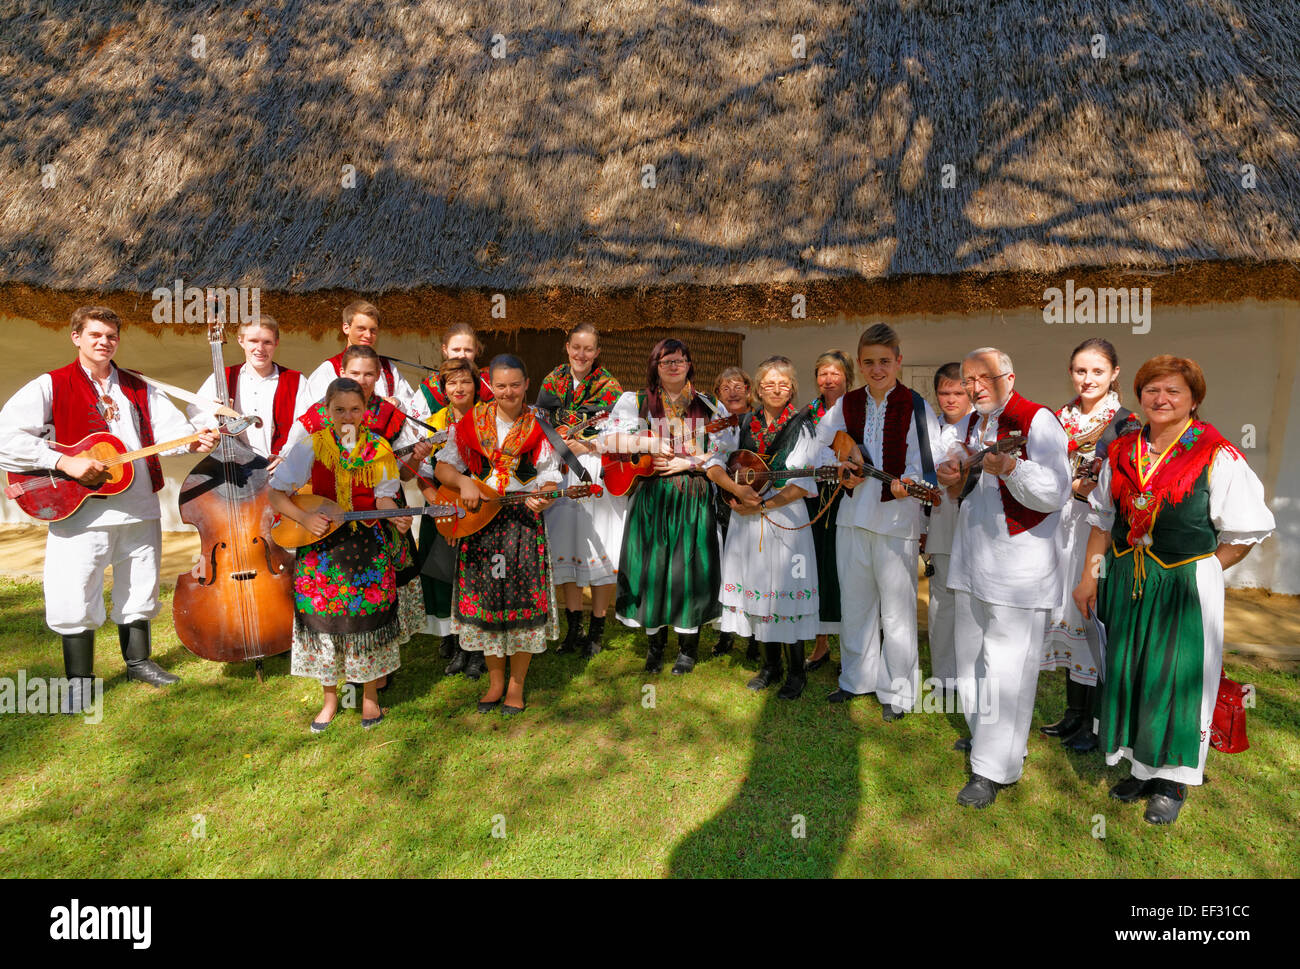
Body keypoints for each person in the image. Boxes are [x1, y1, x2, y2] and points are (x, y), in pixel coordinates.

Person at [1073, 356, 1273, 825]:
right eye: (1152, 391)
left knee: (1176, 679)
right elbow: (1103, 521)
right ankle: (1141, 766)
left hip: (1183, 585)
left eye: (1174, 392)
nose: (1161, 400)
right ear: (1139, 397)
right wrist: (1089, 576)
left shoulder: (1214, 452)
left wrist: (1200, 569)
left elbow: (1244, 532)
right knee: (1133, 672)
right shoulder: (1123, 450)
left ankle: (1172, 780)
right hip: (1124, 578)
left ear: (1194, 400)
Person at [0, 307, 219, 713]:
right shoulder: (51, 385)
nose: (104, 342)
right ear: (76, 337)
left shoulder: (138, 387)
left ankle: (139, 662)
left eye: (111, 336)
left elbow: (171, 433)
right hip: (80, 511)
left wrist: (194, 441)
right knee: (74, 589)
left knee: (140, 584)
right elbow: (5, 436)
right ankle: (80, 683)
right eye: (95, 334)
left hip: (138, 506)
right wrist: (65, 463)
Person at [935, 347, 1070, 808]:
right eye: (968, 378)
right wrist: (956, 472)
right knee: (973, 655)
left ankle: (994, 769)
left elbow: (1056, 491)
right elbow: (969, 486)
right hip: (975, 558)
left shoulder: (1038, 421)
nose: (975, 387)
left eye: (984, 377)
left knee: (1008, 667)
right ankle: (985, 739)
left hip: (1019, 566)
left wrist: (1012, 467)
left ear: (1009, 377)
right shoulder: (977, 424)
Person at [813, 324, 940, 721]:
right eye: (869, 362)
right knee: (855, 605)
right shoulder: (845, 405)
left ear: (898, 361)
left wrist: (910, 484)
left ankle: (899, 693)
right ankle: (855, 680)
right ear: (860, 364)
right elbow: (818, 449)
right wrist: (838, 469)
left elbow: (927, 464)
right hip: (851, 519)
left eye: (885, 361)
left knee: (897, 612)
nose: (877, 369)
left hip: (895, 522)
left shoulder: (917, 405)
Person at [606, 339, 756, 674]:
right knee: (652, 566)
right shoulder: (635, 401)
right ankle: (655, 645)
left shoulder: (706, 405)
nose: (674, 366)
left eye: (680, 360)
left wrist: (688, 464)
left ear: (689, 365)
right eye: (666, 361)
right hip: (650, 497)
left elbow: (725, 449)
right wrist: (648, 442)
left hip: (692, 495)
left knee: (688, 567)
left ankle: (688, 647)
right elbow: (609, 439)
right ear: (655, 366)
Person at [268, 378, 408, 732]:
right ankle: (331, 701)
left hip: (368, 548)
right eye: (339, 409)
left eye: (355, 409)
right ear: (326, 410)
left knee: (368, 623)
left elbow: (384, 498)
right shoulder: (309, 447)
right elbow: (276, 493)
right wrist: (304, 517)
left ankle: (370, 701)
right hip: (322, 550)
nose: (348, 417)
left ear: (366, 411)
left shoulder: (380, 450)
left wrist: (397, 518)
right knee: (325, 624)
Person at [429, 355, 560, 714]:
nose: (508, 392)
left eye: (515, 385)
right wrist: (465, 481)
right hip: (481, 524)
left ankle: (516, 686)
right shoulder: (472, 423)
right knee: (487, 603)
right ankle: (495, 682)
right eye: (500, 386)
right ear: (491, 386)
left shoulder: (540, 425)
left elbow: (551, 476)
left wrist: (544, 499)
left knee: (520, 605)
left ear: (527, 383)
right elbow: (442, 467)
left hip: (522, 525)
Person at [1040, 339, 1141, 753]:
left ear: (1114, 373)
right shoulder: (1056, 417)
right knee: (1068, 614)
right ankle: (1074, 713)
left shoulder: (1126, 423)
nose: (1088, 379)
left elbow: (1133, 485)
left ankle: (1096, 721)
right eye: (1081, 371)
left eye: (1097, 371)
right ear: (1070, 371)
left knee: (1092, 615)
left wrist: (1093, 487)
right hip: (1059, 527)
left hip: (1098, 531)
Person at [718, 356, 823, 698]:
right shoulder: (744, 423)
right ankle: (769, 666)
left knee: (784, 588)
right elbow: (721, 463)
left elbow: (801, 482)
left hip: (784, 517)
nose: (776, 389)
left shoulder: (803, 427)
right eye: (769, 384)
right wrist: (737, 493)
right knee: (757, 583)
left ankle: (795, 672)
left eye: (784, 384)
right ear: (758, 390)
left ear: (792, 389)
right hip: (747, 518)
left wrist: (762, 505)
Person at [535, 323, 625, 658]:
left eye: (588, 349)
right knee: (565, 546)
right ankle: (574, 629)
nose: (581, 355)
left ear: (597, 351)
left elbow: (620, 432)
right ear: (567, 346)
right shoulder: (552, 381)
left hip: (592, 471)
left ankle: (597, 629)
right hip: (557, 472)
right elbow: (540, 421)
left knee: (596, 546)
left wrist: (586, 444)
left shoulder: (610, 387)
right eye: (576, 347)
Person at [413, 358, 480, 670]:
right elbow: (423, 476)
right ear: (443, 389)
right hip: (442, 508)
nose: (459, 388)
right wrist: (442, 510)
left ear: (476, 386)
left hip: (479, 507)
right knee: (447, 577)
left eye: (465, 382)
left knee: (478, 580)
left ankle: (477, 649)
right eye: (451, 383)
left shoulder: (487, 418)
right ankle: (455, 642)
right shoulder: (434, 423)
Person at [188, 315, 313, 465]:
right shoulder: (221, 378)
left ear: (276, 343)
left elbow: (306, 429)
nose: (260, 349)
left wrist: (286, 458)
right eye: (253, 341)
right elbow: (197, 418)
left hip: (278, 472)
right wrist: (215, 420)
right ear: (241, 341)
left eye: (267, 342)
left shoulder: (296, 381)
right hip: (234, 472)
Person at [803, 350, 854, 673]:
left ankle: (853, 647)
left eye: (835, 373)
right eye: (823, 373)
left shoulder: (859, 408)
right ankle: (821, 645)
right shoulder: (807, 413)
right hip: (815, 497)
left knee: (847, 570)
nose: (829, 379)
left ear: (847, 376)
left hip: (850, 496)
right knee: (819, 567)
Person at [928, 362, 973, 692]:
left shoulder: (981, 428)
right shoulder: (929, 428)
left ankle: (970, 675)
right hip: (940, 522)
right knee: (942, 601)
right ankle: (943, 676)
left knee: (970, 603)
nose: (951, 399)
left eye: (958, 392)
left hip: (974, 525)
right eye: (944, 392)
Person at [709, 367, 754, 659]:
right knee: (725, 568)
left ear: (749, 390)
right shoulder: (713, 423)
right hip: (720, 502)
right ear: (717, 394)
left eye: (738, 386)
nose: (733, 392)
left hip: (753, 503)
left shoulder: (759, 420)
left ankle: (754, 638)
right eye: (726, 388)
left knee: (752, 568)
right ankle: (725, 634)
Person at [306, 300, 416, 405]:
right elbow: (312, 415)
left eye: (373, 330)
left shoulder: (387, 368)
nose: (368, 335)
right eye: (361, 329)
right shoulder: (329, 369)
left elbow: (412, 404)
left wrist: (397, 401)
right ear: (346, 328)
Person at [416, 322, 495, 411]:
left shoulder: (489, 384)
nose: (462, 355)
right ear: (445, 349)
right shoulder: (429, 389)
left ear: (476, 350)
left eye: (468, 350)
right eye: (456, 350)